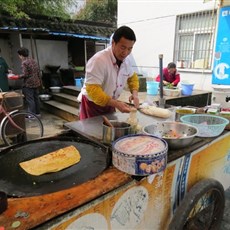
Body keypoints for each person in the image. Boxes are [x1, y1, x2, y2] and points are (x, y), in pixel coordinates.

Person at [79, 26, 140, 120]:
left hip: (110, 102)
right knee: (92, 132)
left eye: (129, 49)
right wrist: (116, 104)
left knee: (110, 130)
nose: (125, 52)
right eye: (123, 47)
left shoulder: (127, 61)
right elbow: (93, 90)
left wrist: (135, 94)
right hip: (92, 105)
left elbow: (132, 77)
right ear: (113, 43)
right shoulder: (98, 60)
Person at [17, 47, 41, 116]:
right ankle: (37, 113)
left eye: (19, 55)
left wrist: (17, 76)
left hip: (29, 84)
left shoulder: (24, 63)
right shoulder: (33, 60)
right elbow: (38, 72)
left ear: (21, 55)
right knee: (36, 98)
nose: (19, 57)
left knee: (30, 100)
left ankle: (31, 115)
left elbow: (25, 74)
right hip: (36, 82)